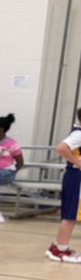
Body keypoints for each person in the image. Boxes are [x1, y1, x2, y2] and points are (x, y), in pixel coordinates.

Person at [47, 108, 81, 262]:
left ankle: (59, 247)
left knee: (70, 214)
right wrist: (76, 162)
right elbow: (60, 148)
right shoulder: (79, 134)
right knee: (70, 215)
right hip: (76, 176)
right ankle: (61, 250)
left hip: (74, 176)